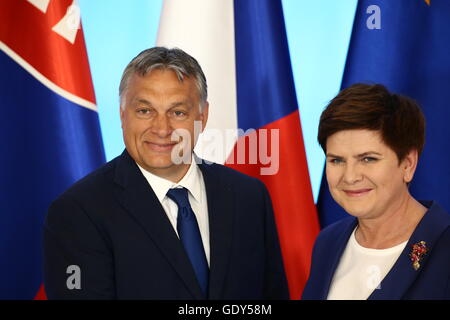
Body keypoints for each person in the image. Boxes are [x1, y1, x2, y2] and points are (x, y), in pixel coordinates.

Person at [43, 47, 289, 300]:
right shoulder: (78, 212)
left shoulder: (249, 197)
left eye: (178, 112)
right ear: (122, 115)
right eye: (145, 111)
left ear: (202, 118)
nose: (162, 128)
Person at [302, 83, 450, 300]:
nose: (350, 176)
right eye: (337, 160)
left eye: (368, 159)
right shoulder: (328, 242)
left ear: (408, 164)